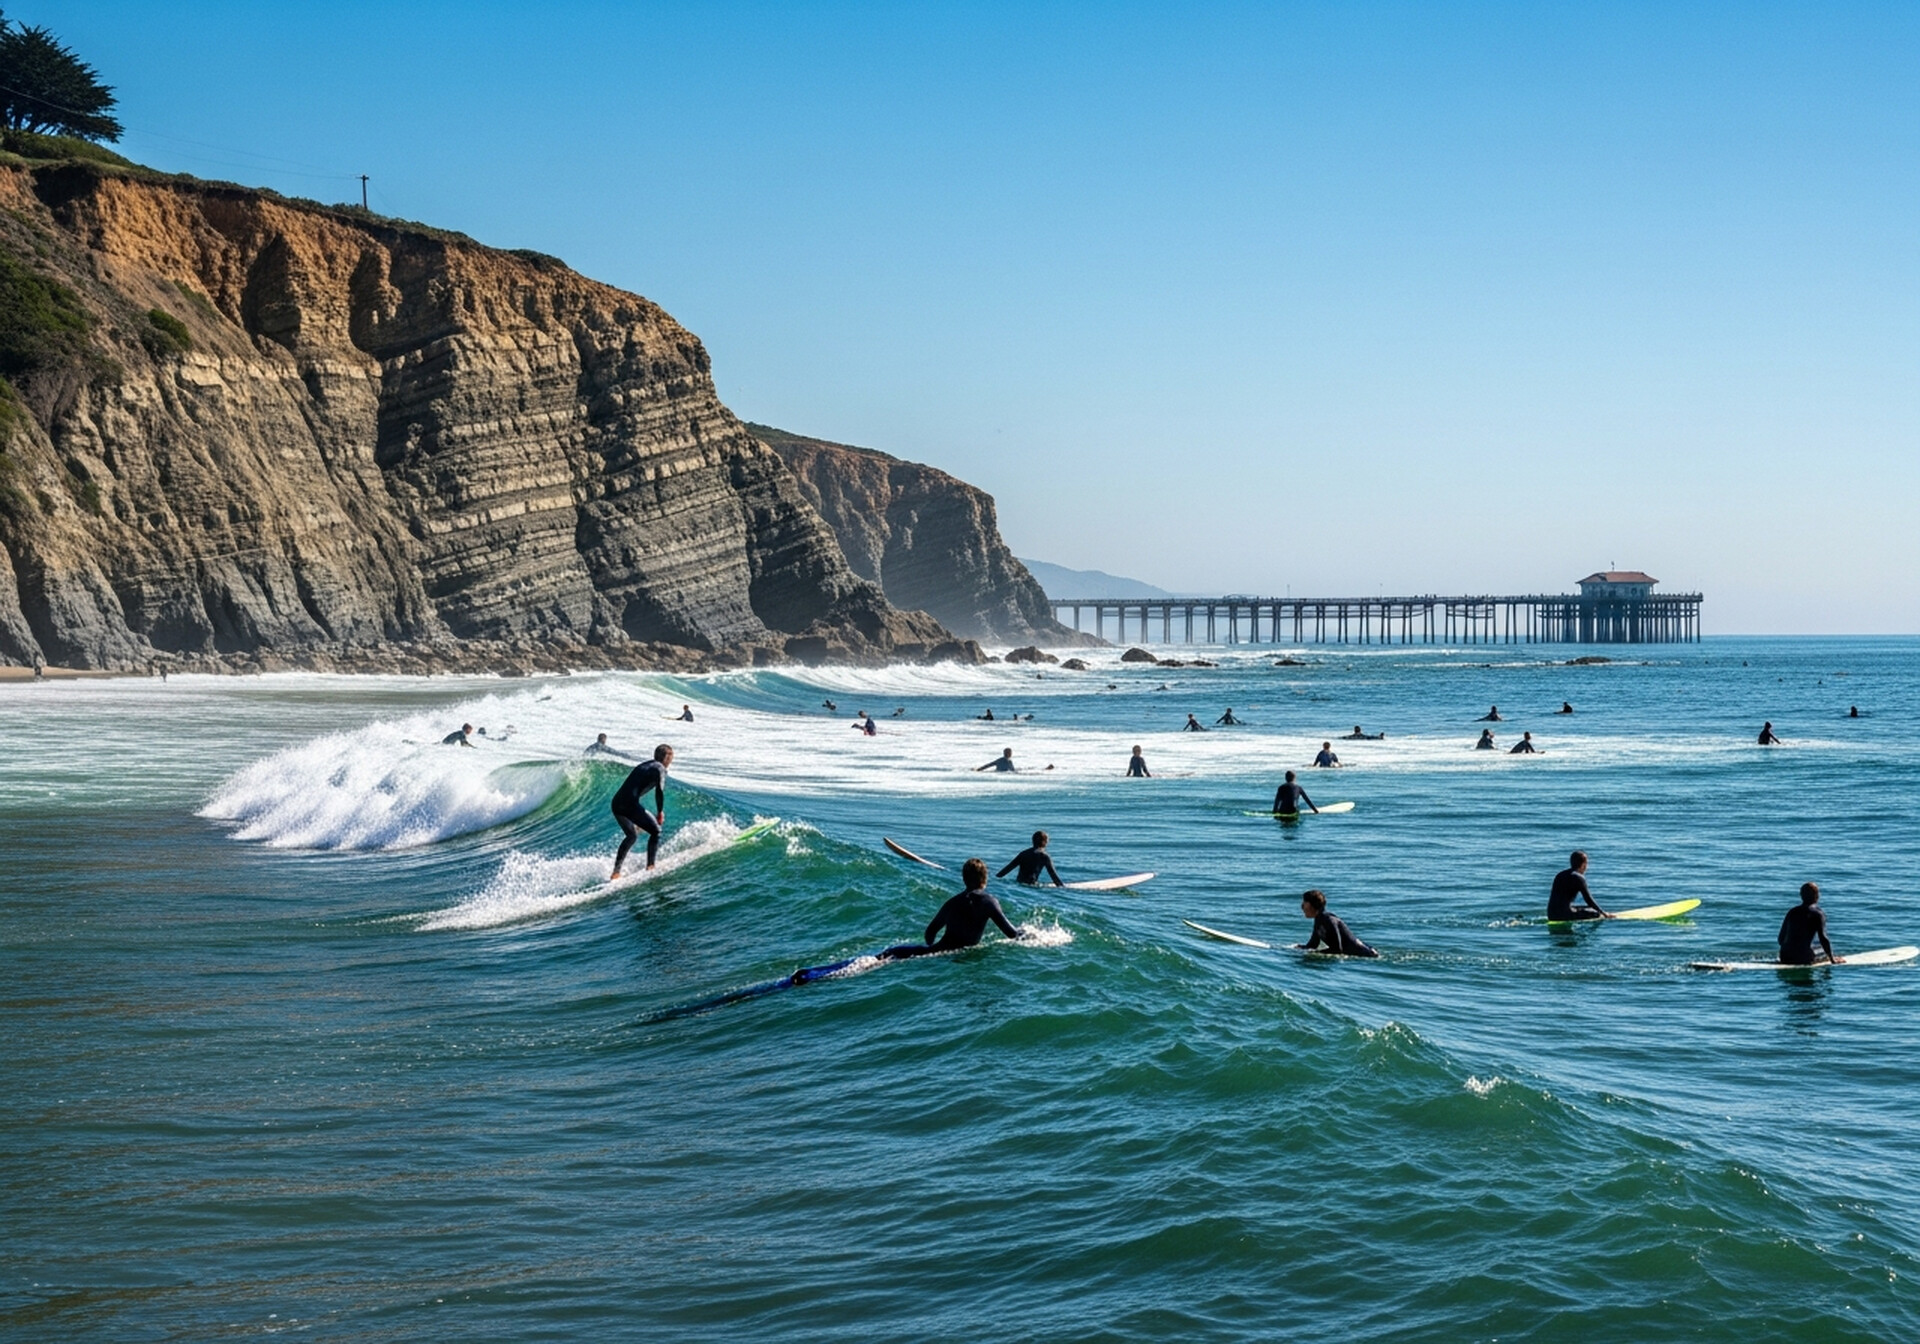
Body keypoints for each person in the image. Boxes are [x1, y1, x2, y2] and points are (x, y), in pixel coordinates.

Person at [874, 859, 1025, 963]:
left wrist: (931, 948)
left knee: (876, 960)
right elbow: (1011, 933)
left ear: (964, 879)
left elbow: (930, 932)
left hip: (930, 952)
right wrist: (1029, 935)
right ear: (984, 879)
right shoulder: (989, 902)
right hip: (953, 955)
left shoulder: (952, 903)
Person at [610, 744, 673, 878]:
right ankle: (651, 867)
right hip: (629, 804)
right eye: (670, 759)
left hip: (616, 803)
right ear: (667, 758)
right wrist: (660, 812)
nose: (670, 763)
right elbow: (659, 791)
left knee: (631, 835)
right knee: (656, 831)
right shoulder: (660, 768)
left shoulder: (645, 765)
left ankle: (616, 872)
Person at [1294, 889, 1378, 957]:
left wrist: (1317, 953)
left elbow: (1338, 950)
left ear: (1311, 904)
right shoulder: (1319, 920)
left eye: (1304, 903)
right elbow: (1312, 945)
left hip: (1366, 954)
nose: (1302, 906)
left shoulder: (1328, 920)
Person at [1778, 882, 1840, 965]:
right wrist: (1832, 959)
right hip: (1804, 958)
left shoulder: (1792, 912)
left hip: (1785, 957)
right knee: (1820, 948)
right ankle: (1830, 957)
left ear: (1801, 896)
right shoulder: (1818, 913)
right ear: (1817, 896)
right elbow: (1823, 938)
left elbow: (1780, 939)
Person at [1548, 850, 1610, 921]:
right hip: (1564, 916)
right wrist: (1603, 913)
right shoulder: (1579, 878)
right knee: (1596, 913)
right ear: (1584, 864)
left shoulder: (1560, 875)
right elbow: (1588, 900)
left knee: (1588, 908)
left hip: (1551, 915)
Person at [998, 830, 1064, 887]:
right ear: (1044, 842)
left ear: (1033, 841)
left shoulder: (1023, 854)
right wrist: (1063, 888)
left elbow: (1004, 871)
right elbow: (1054, 876)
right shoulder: (1044, 856)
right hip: (1031, 885)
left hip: (1019, 884)